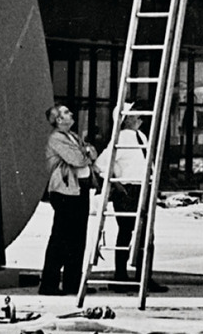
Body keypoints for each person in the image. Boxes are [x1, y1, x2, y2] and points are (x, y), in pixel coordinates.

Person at [39, 104, 96, 295]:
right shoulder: (56, 138)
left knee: (77, 239)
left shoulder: (73, 136)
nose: (70, 114)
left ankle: (73, 282)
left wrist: (86, 153)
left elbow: (90, 153)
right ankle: (49, 283)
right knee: (61, 238)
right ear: (58, 120)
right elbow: (78, 158)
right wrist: (86, 152)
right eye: (65, 113)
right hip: (65, 192)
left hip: (78, 190)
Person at [104, 108, 149, 281]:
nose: (139, 117)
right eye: (134, 115)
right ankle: (120, 275)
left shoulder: (142, 137)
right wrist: (117, 182)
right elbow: (104, 163)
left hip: (143, 187)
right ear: (125, 119)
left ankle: (142, 276)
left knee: (145, 234)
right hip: (128, 189)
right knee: (126, 231)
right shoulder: (121, 137)